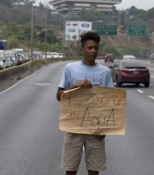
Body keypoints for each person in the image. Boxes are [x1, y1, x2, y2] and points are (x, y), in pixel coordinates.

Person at [56, 31, 114, 175]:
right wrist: (76, 85)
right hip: (74, 126)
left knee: (94, 170)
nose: (93, 51)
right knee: (70, 169)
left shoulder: (105, 72)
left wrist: (105, 129)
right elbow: (59, 96)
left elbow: (110, 102)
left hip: (95, 128)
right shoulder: (70, 68)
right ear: (82, 49)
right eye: (90, 48)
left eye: (96, 47)